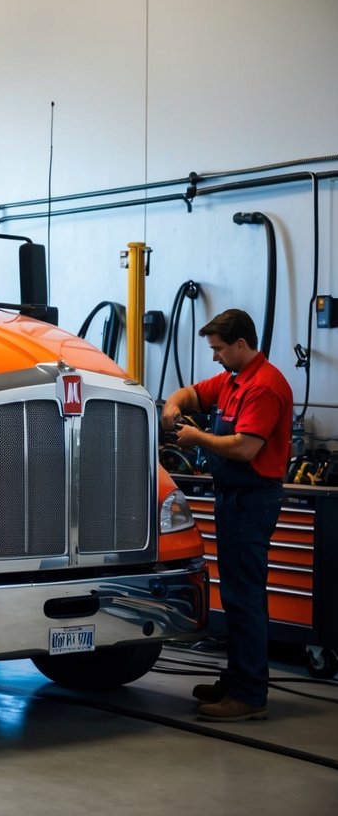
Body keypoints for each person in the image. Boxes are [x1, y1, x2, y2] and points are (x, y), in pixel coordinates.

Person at [161, 309, 293, 722]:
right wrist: (172, 405)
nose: (214, 357)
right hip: (233, 498)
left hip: (253, 500)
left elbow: (245, 448)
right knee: (235, 596)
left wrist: (196, 435)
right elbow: (193, 395)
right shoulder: (233, 380)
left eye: (219, 349)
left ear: (241, 345)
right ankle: (238, 680)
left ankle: (250, 694)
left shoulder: (264, 386)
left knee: (246, 596)